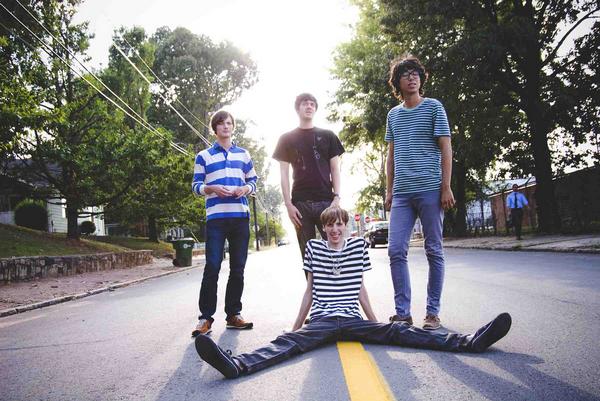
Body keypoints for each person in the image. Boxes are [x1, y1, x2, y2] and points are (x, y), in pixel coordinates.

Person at [194, 206, 512, 379]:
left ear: (346, 226)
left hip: (352, 320)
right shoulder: (314, 248)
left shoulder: (358, 247)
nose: (334, 230)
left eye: (339, 225)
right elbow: (310, 290)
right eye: (329, 226)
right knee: (287, 343)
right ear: (323, 229)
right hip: (322, 320)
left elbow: (360, 288)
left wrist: (377, 323)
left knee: (400, 331)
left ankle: (468, 342)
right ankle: (237, 365)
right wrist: (296, 327)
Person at [385, 56, 455, 330]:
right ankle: (403, 313)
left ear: (421, 79)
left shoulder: (434, 107)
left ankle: (432, 313)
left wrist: (446, 187)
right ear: (398, 82)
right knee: (395, 250)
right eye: (406, 74)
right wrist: (389, 191)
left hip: (430, 189)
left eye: (416, 74)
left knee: (433, 250)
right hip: (402, 193)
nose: (412, 78)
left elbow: (446, 148)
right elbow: (390, 157)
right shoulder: (393, 115)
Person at [191, 110, 258, 337]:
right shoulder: (203, 156)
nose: (225, 126)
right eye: (221, 123)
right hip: (216, 219)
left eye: (229, 123)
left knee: (238, 268)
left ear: (233, 127)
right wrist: (211, 188)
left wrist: (244, 189)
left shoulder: (243, 155)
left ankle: (233, 315)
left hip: (240, 217)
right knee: (212, 267)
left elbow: (253, 181)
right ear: (215, 129)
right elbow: (196, 186)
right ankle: (205, 318)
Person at [273, 93, 345, 264]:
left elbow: (335, 169)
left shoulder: (328, 135)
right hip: (300, 204)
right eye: (305, 103)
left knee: (336, 251)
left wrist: (336, 198)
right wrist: (288, 205)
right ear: (297, 108)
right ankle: (313, 283)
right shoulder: (286, 139)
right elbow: (283, 174)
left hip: (326, 202)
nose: (309, 106)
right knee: (308, 256)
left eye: (312, 104)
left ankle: (336, 282)